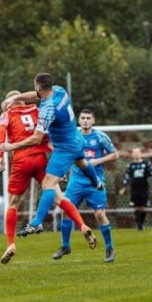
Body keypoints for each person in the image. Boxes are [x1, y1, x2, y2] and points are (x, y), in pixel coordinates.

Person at [0, 73, 99, 250]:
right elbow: (46, 138)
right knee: (68, 183)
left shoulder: (28, 112)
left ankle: (18, 238)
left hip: (28, 158)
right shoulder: (57, 93)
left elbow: (17, 135)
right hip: (70, 142)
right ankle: (84, 221)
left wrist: (4, 152)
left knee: (19, 200)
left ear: (38, 87)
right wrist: (59, 167)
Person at [52, 109, 119, 263]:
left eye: (89, 118)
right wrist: (63, 171)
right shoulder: (73, 136)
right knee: (66, 210)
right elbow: (65, 154)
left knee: (100, 215)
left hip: (95, 180)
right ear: (79, 120)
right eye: (83, 118)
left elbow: (115, 154)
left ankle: (109, 249)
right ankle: (65, 246)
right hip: (76, 180)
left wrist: (98, 161)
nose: (85, 121)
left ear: (93, 121)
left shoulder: (100, 137)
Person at [0, 90, 51, 263]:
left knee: (13, 203)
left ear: (10, 103)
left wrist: (0, 157)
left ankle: (10, 244)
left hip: (21, 160)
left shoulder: (7, 114)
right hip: (40, 157)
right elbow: (48, 135)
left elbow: (1, 133)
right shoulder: (36, 109)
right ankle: (82, 226)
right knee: (56, 194)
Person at [121, 147, 152, 230]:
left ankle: (141, 224)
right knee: (136, 207)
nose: (136, 154)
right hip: (134, 189)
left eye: (138, 152)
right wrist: (124, 187)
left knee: (143, 207)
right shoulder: (131, 165)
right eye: (134, 153)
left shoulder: (146, 164)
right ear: (132, 155)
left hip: (144, 188)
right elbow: (127, 176)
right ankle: (138, 224)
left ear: (141, 154)